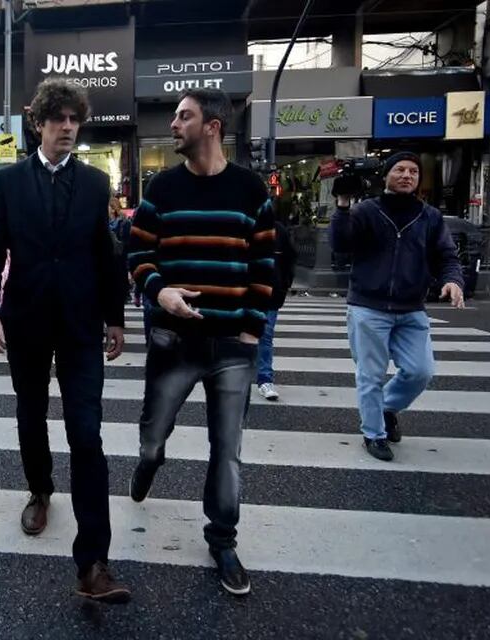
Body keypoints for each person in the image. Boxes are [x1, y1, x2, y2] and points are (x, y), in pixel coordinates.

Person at [0, 78, 129, 603]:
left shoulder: (94, 182)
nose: (67, 127)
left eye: (74, 119)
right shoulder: (7, 182)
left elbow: (104, 253)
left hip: (83, 324)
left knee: (87, 435)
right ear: (38, 122)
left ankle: (94, 562)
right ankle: (40, 488)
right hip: (27, 320)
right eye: (58, 118)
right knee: (31, 411)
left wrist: (115, 317)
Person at [126, 89, 276, 597]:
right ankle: (149, 462)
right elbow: (136, 252)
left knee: (227, 450)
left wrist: (253, 330)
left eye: (183, 116)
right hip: (172, 342)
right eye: (173, 116)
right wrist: (158, 290)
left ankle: (223, 538)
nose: (173, 124)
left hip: (232, 346)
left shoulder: (251, 190)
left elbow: (265, 267)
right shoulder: (162, 188)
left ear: (211, 126)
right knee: (151, 435)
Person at [330, 151, 465, 462]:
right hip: (368, 305)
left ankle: (387, 407)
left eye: (413, 171)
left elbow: (446, 256)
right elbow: (340, 245)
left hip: (411, 308)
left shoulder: (429, 217)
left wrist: (453, 280)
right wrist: (343, 206)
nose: (407, 175)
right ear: (387, 175)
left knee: (421, 371)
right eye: (400, 169)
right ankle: (374, 434)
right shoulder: (366, 211)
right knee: (371, 375)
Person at [256, 220, 298, 401]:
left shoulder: (278, 229)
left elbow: (289, 259)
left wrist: (283, 285)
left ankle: (265, 379)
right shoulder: (239, 221)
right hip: (243, 290)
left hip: (271, 291)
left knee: (265, 335)